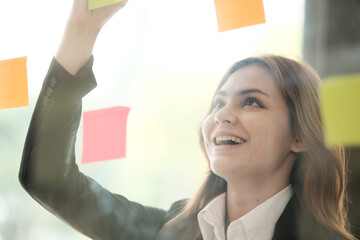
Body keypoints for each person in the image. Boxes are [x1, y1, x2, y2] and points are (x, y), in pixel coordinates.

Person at [19, 0, 356, 239]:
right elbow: (48, 179)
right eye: (218, 103)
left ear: (299, 136)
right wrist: (82, 28)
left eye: (251, 102)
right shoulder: (167, 231)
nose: (222, 115)